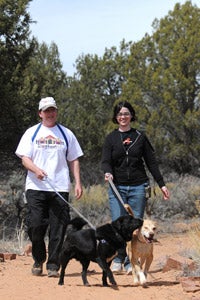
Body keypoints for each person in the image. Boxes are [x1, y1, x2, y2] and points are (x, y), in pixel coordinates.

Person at [15, 96, 83, 277]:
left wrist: (78, 182)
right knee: (36, 225)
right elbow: (24, 158)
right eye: (46, 111)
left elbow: (74, 159)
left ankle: (53, 264)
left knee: (58, 227)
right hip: (36, 187)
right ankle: (38, 259)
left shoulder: (66, 134)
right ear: (40, 113)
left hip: (59, 187)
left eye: (52, 110)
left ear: (56, 111)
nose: (50, 114)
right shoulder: (32, 133)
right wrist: (36, 170)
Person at [101, 101, 170, 275]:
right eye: (119, 114)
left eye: (126, 113)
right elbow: (105, 161)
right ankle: (118, 258)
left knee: (136, 228)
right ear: (116, 117)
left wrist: (161, 184)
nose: (123, 117)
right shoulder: (111, 138)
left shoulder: (140, 137)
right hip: (117, 187)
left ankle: (132, 262)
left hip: (138, 187)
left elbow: (151, 162)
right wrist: (108, 172)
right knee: (118, 225)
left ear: (131, 115)